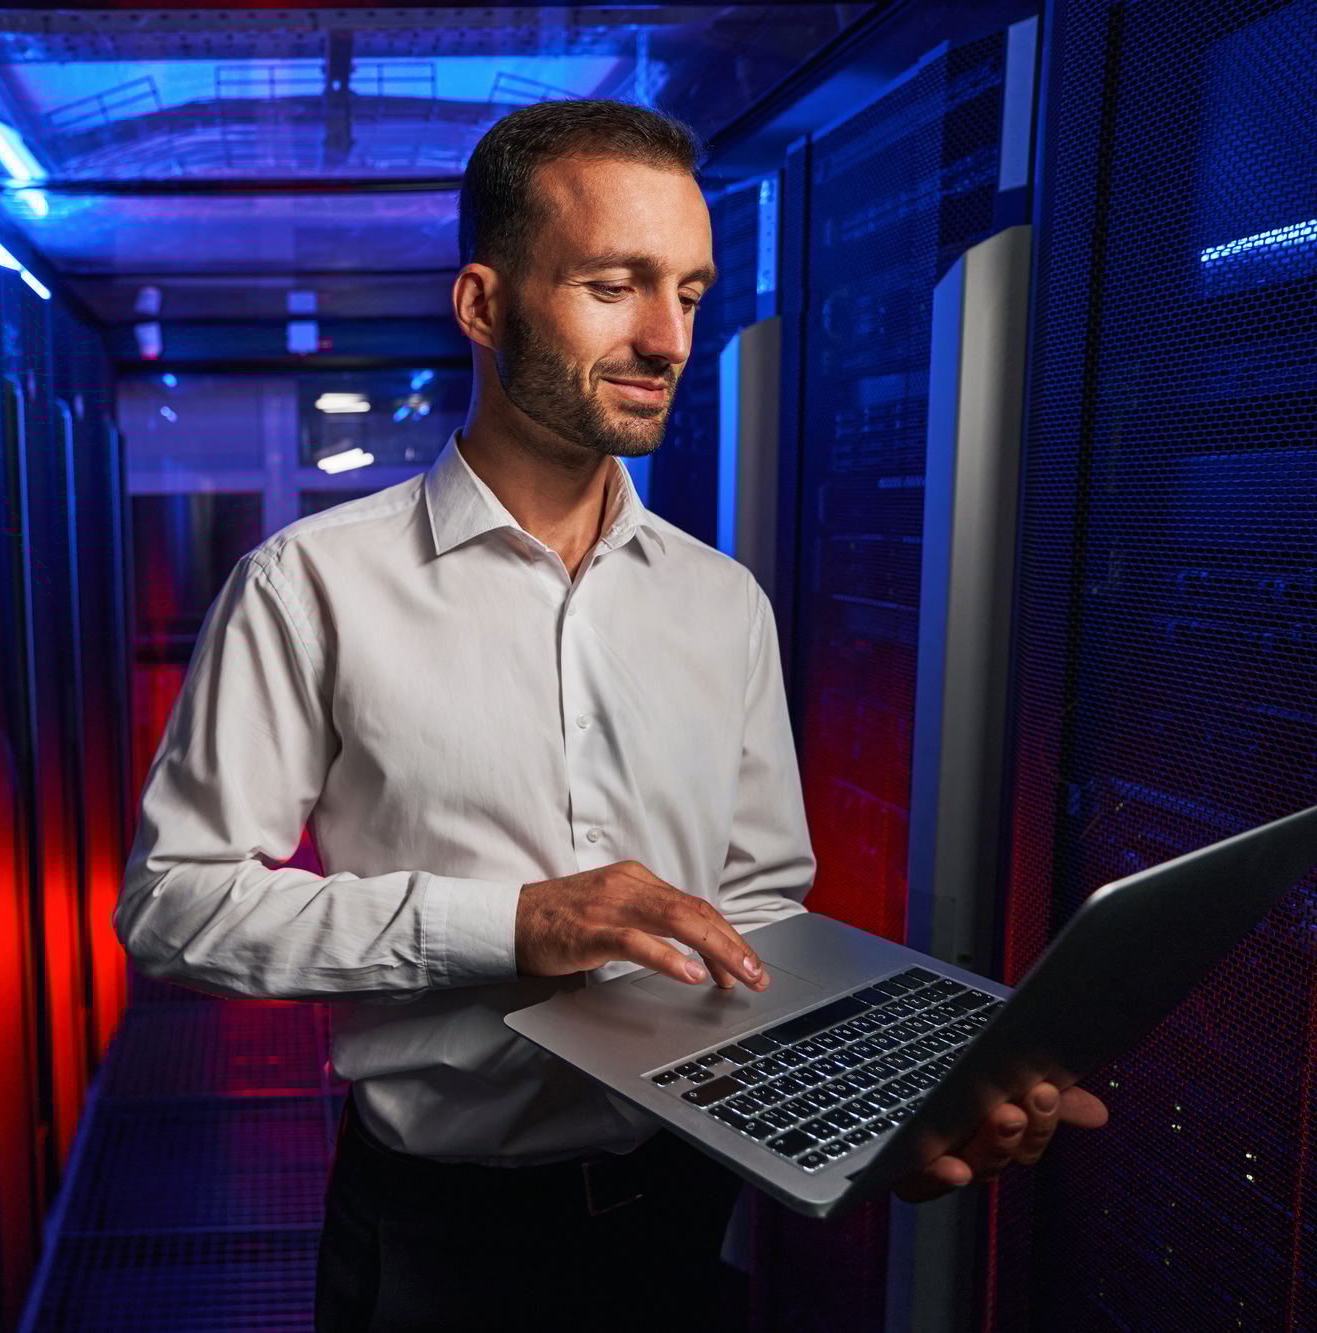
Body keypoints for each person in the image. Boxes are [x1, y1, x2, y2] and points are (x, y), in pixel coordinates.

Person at [116, 99, 1105, 1331]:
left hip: (682, 1219)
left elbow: (751, 925)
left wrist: (885, 1116)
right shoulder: (308, 584)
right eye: (612, 285)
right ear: (482, 305)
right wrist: (520, 922)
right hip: (438, 1242)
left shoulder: (719, 601)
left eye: (687, 292)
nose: (667, 338)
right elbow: (176, 907)